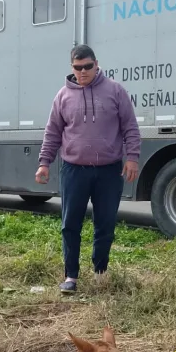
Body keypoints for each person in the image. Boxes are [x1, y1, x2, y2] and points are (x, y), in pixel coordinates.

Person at [35, 44, 141, 294]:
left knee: (105, 223)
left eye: (87, 67)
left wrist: (132, 157)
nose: (83, 72)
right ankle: (71, 276)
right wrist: (44, 163)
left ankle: (100, 272)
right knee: (70, 224)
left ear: (96, 64)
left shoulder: (115, 91)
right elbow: (53, 132)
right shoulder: (63, 96)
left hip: (108, 170)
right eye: (77, 67)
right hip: (74, 170)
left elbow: (130, 127)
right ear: (71, 67)